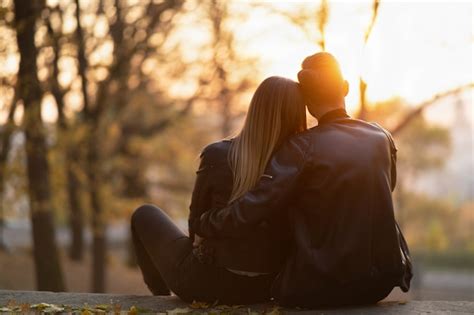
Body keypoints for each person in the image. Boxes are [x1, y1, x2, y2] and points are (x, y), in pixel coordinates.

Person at [191, 52, 413, 308]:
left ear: (306, 100)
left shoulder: (301, 147)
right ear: (346, 89)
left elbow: (251, 209)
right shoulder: (381, 137)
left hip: (320, 285)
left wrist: (203, 223)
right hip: (377, 284)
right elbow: (384, 189)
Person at [131, 76, 307, 304]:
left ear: (255, 109)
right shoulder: (302, 165)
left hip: (207, 284)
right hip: (268, 287)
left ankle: (159, 297)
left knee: (144, 214)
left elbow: (195, 228)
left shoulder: (218, 155)